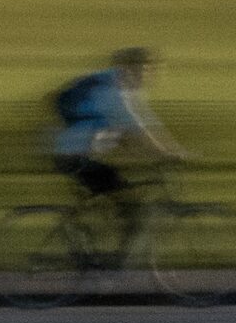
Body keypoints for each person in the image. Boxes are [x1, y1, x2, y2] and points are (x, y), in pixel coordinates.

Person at [48, 46, 191, 260]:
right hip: (72, 154)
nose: (149, 75)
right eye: (144, 69)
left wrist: (170, 150)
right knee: (130, 206)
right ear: (127, 68)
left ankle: (98, 250)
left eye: (151, 70)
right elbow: (138, 129)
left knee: (120, 195)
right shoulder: (113, 92)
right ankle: (109, 261)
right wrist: (167, 153)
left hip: (81, 151)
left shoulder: (124, 88)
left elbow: (148, 124)